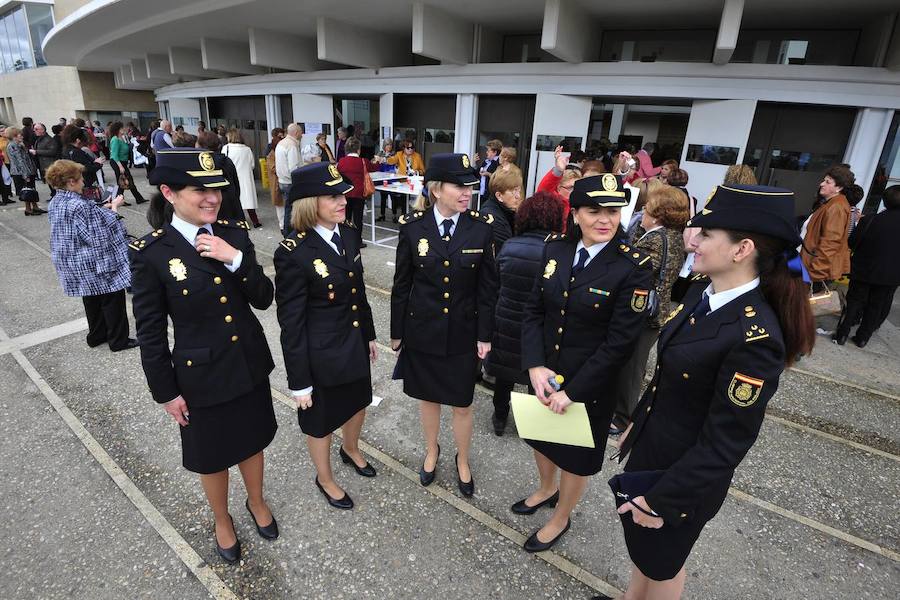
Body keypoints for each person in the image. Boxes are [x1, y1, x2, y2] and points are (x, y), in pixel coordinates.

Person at [614, 184, 815, 600]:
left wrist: (662, 500)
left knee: (663, 566)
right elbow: (670, 376)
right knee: (644, 555)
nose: (693, 241)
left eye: (706, 234)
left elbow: (726, 443)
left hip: (681, 481)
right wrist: (637, 423)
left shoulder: (755, 337)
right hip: (655, 454)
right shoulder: (703, 292)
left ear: (742, 249)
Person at [131, 148, 279, 564]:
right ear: (169, 192)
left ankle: (256, 500)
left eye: (216, 189)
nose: (212, 198)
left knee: (252, 440)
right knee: (211, 454)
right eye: (199, 190)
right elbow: (151, 333)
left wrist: (235, 260)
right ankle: (221, 518)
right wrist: (165, 392)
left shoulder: (233, 234)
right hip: (201, 376)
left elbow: (264, 297)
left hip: (247, 362)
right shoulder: (152, 252)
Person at [518, 173, 653, 553]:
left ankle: (561, 516)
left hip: (591, 386)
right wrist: (534, 365)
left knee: (575, 459)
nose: (605, 219)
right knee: (542, 439)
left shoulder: (633, 266)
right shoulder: (555, 249)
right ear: (575, 213)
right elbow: (533, 311)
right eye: (594, 211)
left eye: (613, 211)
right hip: (545, 374)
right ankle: (546, 488)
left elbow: (620, 343)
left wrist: (574, 392)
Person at [390, 153, 498, 497]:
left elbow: (488, 288)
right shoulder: (412, 228)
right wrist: (396, 333)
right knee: (428, 399)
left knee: (462, 403)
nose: (468, 192)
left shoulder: (481, 228)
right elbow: (401, 285)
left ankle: (462, 458)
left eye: (471, 186)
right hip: (423, 331)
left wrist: (485, 335)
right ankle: (431, 449)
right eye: (459, 186)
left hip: (464, 333)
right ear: (436, 189)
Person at [274, 161, 378, 510]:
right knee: (320, 422)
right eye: (332, 197)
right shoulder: (293, 253)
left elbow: (358, 291)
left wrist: (369, 334)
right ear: (309, 202)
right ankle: (325, 478)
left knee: (358, 402)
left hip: (353, 341)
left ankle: (351, 448)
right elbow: (291, 323)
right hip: (321, 354)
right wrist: (299, 381)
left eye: (342, 195)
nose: (343, 201)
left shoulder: (347, 234)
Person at [484, 191, 566, 436]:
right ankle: (532, 424)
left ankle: (500, 417)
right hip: (539, 327)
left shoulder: (510, 245)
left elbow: (495, 284)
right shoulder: (558, 251)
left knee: (504, 375)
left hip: (506, 322)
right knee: (537, 377)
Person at [611, 185, 689, 433]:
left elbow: (634, 269)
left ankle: (622, 417)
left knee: (631, 368)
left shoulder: (655, 240)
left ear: (656, 216)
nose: (642, 213)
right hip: (656, 310)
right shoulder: (672, 235)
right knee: (633, 364)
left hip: (646, 313)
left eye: (646, 210)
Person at [46, 159, 135, 351]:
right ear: (71, 181)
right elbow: (97, 237)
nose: (83, 182)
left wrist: (100, 210)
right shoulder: (79, 205)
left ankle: (96, 336)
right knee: (112, 298)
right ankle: (118, 340)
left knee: (91, 298)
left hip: (75, 261)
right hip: (95, 261)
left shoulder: (56, 202)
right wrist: (114, 208)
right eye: (80, 178)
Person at [833, 185, 900, 347]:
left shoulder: (870, 220)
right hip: (891, 275)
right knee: (876, 306)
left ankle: (842, 334)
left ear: (885, 201)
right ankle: (863, 338)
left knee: (853, 301)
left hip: (864, 269)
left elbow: (852, 242)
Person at [801, 165, 854, 288]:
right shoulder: (831, 203)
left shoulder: (836, 207)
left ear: (839, 187)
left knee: (798, 297)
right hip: (805, 262)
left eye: (827, 182)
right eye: (824, 180)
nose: (822, 184)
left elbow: (830, 243)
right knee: (789, 290)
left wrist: (815, 273)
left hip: (813, 269)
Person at [337, 137, 379, 248]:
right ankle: (357, 241)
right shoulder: (363, 161)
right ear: (358, 150)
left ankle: (345, 240)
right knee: (358, 219)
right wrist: (377, 160)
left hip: (345, 193)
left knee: (345, 218)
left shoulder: (341, 161)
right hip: (359, 194)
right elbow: (374, 167)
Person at [196, 131, 244, 222]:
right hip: (230, 205)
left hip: (210, 209)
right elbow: (236, 186)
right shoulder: (226, 161)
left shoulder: (199, 164)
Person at [223, 128, 262, 228]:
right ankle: (255, 221)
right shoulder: (247, 149)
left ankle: (240, 222)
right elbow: (252, 165)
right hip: (246, 178)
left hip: (232, 178)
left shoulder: (226, 148)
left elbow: (224, 164)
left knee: (235, 201)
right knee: (249, 201)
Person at [480, 165, 523, 253]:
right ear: (499, 196)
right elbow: (507, 253)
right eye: (514, 191)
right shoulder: (493, 219)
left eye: (519, 190)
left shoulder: (506, 212)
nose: (518, 196)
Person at [61, 125, 105, 204]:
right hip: (84, 184)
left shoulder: (66, 150)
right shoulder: (76, 152)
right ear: (78, 140)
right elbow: (86, 168)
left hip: (72, 183)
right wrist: (97, 163)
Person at [5, 127, 43, 215]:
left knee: (32, 189)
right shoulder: (13, 146)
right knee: (27, 191)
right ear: (14, 136)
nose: (22, 136)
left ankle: (35, 207)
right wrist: (25, 175)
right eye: (20, 135)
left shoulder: (19, 144)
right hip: (21, 172)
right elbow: (20, 161)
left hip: (28, 170)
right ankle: (28, 209)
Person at [108, 122, 147, 205]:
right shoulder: (115, 140)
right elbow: (114, 155)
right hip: (117, 162)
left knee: (126, 180)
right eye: (122, 128)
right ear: (118, 130)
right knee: (123, 180)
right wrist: (120, 166)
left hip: (122, 162)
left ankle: (136, 198)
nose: (124, 129)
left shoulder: (121, 138)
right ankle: (123, 199)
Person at [276, 124, 303, 235]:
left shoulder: (281, 143)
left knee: (287, 208)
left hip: (282, 181)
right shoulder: (292, 145)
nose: (302, 135)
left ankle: (287, 231)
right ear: (296, 133)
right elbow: (294, 168)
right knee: (290, 210)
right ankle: (289, 233)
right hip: (290, 182)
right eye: (301, 132)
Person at [375, 139, 402, 223]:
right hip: (382, 177)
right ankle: (382, 214)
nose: (389, 146)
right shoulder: (380, 153)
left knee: (393, 197)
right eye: (387, 145)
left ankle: (394, 215)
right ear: (384, 146)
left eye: (390, 144)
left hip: (391, 177)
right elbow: (375, 162)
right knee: (383, 197)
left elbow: (395, 163)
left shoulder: (394, 154)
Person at [266, 128, 286, 227]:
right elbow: (272, 167)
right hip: (277, 181)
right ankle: (282, 225)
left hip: (283, 179)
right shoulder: (271, 150)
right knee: (280, 204)